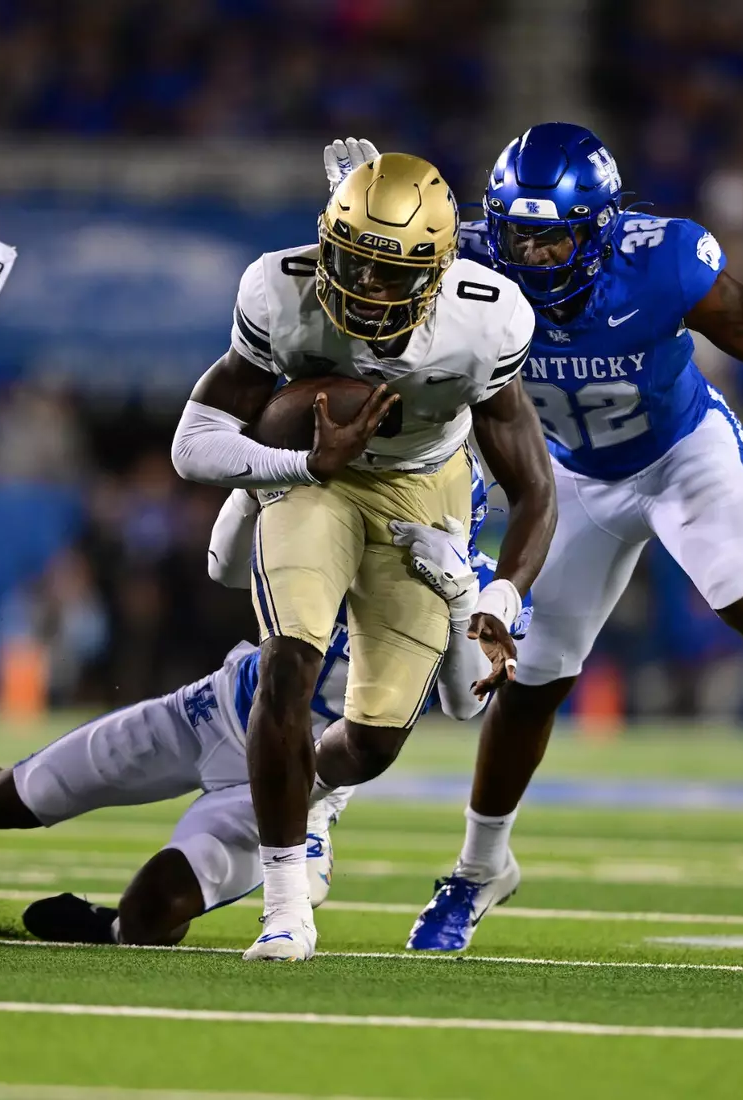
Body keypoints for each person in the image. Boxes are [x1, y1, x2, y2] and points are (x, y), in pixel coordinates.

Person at [325, 125, 743, 952]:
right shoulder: (467, 261)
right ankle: (479, 872)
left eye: (553, 240)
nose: (534, 256)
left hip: (680, 452)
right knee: (530, 682)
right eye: (519, 235)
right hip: (567, 480)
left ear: (599, 229)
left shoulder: (661, 261)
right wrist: (361, 215)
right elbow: (360, 294)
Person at [0, 471, 525, 949]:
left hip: (296, 783)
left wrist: (462, 593)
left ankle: (110, 927)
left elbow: (466, 704)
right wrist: (264, 478)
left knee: (148, 921)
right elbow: (221, 563)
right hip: (212, 713)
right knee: (7, 800)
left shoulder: (469, 577)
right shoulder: (320, 513)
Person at [168, 150, 557, 959]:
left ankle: (308, 796)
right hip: (316, 478)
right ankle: (284, 906)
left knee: (374, 740)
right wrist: (297, 467)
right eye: (354, 262)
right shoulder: (280, 287)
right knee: (288, 664)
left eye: (390, 273)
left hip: (426, 484)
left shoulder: (486, 321)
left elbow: (536, 489)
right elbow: (193, 440)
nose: (366, 288)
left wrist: (500, 599)